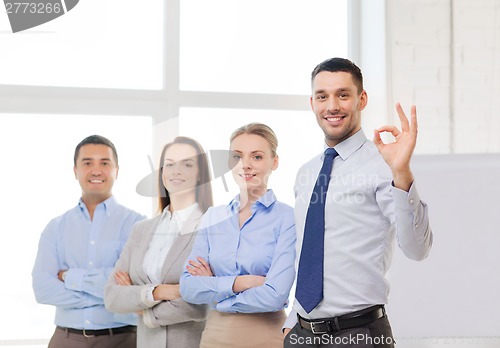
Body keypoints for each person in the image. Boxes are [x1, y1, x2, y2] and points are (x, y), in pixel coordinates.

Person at [283, 58, 434, 348]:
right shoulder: (306, 173)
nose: (332, 106)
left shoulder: (383, 164)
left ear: (361, 99)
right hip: (301, 334)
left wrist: (401, 172)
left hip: (359, 334)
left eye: (343, 95)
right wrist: (292, 322)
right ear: (312, 103)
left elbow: (417, 249)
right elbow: (306, 252)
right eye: (322, 96)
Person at [180, 123, 296, 348]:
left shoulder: (287, 217)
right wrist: (241, 282)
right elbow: (188, 287)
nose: (246, 165)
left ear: (275, 162)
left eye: (257, 157)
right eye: (237, 156)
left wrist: (215, 289)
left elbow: (275, 295)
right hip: (214, 336)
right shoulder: (213, 217)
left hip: (266, 336)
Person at [32, 135, 146, 348]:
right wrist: (113, 296)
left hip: (123, 340)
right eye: (87, 163)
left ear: (116, 171)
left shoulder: (138, 225)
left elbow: (138, 288)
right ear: (75, 171)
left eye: (104, 163)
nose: (96, 170)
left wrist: (69, 277)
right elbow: (42, 288)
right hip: (65, 340)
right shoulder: (55, 227)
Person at [104, 136, 213, 347]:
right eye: (169, 164)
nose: (176, 171)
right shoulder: (141, 230)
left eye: (187, 164)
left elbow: (200, 304)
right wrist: (159, 292)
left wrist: (140, 306)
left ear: (201, 174)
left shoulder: (211, 228)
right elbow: (112, 295)